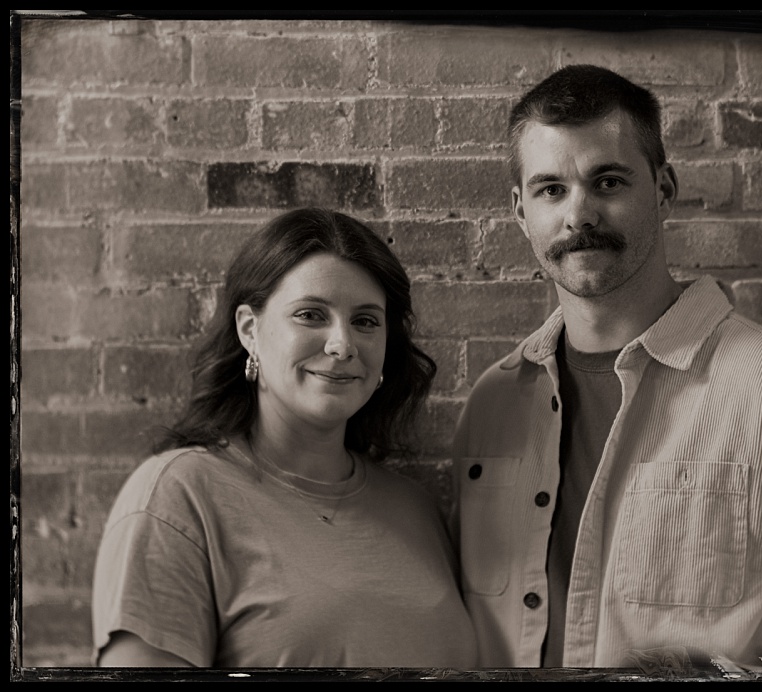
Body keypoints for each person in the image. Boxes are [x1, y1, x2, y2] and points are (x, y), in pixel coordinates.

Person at [451, 65, 762, 670]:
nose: (580, 215)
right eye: (551, 190)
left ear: (664, 189)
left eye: (609, 181)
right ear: (520, 211)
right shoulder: (493, 405)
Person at [92, 207, 478, 668]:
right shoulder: (177, 497)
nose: (342, 344)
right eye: (311, 315)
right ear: (250, 331)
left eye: (366, 321)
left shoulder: (415, 508)